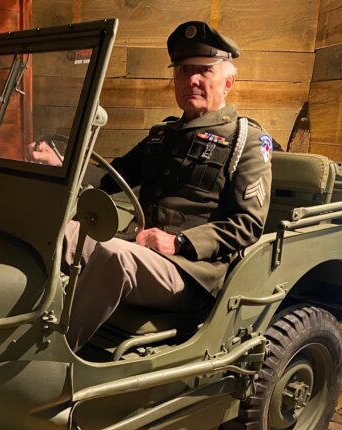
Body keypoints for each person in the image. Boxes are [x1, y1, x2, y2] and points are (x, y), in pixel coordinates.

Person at [30, 21, 273, 352]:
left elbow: (248, 225)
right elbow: (110, 177)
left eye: (204, 70)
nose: (192, 80)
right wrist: (62, 167)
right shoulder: (163, 135)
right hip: (140, 248)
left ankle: (51, 357)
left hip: (191, 272)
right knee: (50, 230)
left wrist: (180, 242)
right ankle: (21, 325)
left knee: (113, 255)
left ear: (228, 81)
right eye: (184, 70)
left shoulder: (246, 141)